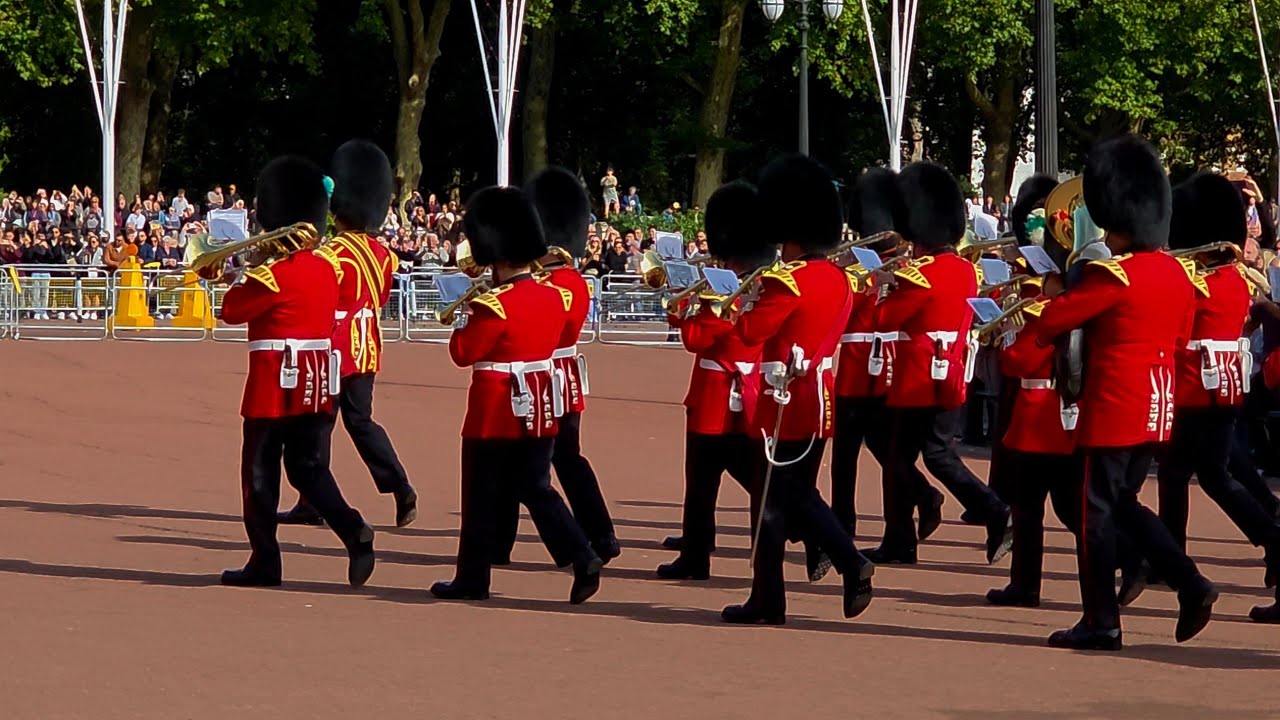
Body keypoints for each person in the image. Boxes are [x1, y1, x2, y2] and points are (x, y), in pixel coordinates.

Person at [1036, 134, 1217, 650]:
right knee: (1122, 502)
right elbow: (1181, 338)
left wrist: (1059, 291)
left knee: (1093, 513)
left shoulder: (1112, 276)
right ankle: (1189, 582)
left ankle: (1102, 620)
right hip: (1159, 403)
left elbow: (1054, 323)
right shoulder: (1179, 274)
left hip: (1116, 404)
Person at [719, 154, 875, 625]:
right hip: (820, 394)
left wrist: (739, 307)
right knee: (788, 494)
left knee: (775, 499)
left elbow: (749, 333)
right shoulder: (840, 279)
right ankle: (770, 597)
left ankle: (842, 565)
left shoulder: (786, 282)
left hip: (784, 399)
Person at [430, 186, 604, 604]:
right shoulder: (552, 295)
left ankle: (472, 578)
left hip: (496, 407)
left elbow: (463, 353)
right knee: (536, 486)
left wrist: (463, 318)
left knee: (478, 493)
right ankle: (582, 553)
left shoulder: (495, 305)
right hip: (541, 403)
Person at [217, 155, 375, 589]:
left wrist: (240, 271)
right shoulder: (329, 267)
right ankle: (352, 527)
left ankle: (265, 562)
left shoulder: (272, 275)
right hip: (316, 381)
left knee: (259, 473)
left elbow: (233, 310)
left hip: (274, 381)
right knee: (308, 468)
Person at [866, 162, 1012, 567]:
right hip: (950, 376)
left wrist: (883, 287)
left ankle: (902, 539)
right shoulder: (965, 269)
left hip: (917, 377)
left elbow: (886, 319)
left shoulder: (920, 275)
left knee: (899, 460)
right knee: (939, 454)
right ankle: (992, 510)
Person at [1147, 172, 1280, 601]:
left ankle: (1176, 558)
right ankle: (1269, 537)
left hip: (1193, 388)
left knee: (1182, 473)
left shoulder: (1196, 281)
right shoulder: (1237, 279)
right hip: (1225, 386)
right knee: (1211, 474)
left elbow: (1176, 330)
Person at [277, 141, 418, 530]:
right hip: (368, 347)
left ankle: (312, 498)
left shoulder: (332, 254)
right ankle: (398, 483)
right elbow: (382, 297)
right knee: (361, 421)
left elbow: (318, 297)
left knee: (316, 423)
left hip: (335, 346)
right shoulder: (384, 254)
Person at [486, 167, 619, 568]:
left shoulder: (558, 283)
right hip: (554, 379)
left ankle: (589, 538)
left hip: (547, 380)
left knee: (536, 466)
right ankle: (596, 533)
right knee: (557, 460)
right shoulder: (560, 280)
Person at [655, 182, 771, 580]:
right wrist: (681, 297)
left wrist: (691, 308)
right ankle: (699, 545)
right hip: (749, 393)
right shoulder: (760, 286)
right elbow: (681, 318)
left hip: (716, 393)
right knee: (752, 475)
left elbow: (694, 339)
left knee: (702, 480)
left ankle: (696, 554)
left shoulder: (725, 291)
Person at [830, 167, 945, 547]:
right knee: (881, 450)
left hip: (867, 364)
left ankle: (844, 525)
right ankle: (922, 496)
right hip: (873, 364)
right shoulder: (886, 263)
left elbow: (849, 306)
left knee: (851, 453)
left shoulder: (886, 266)